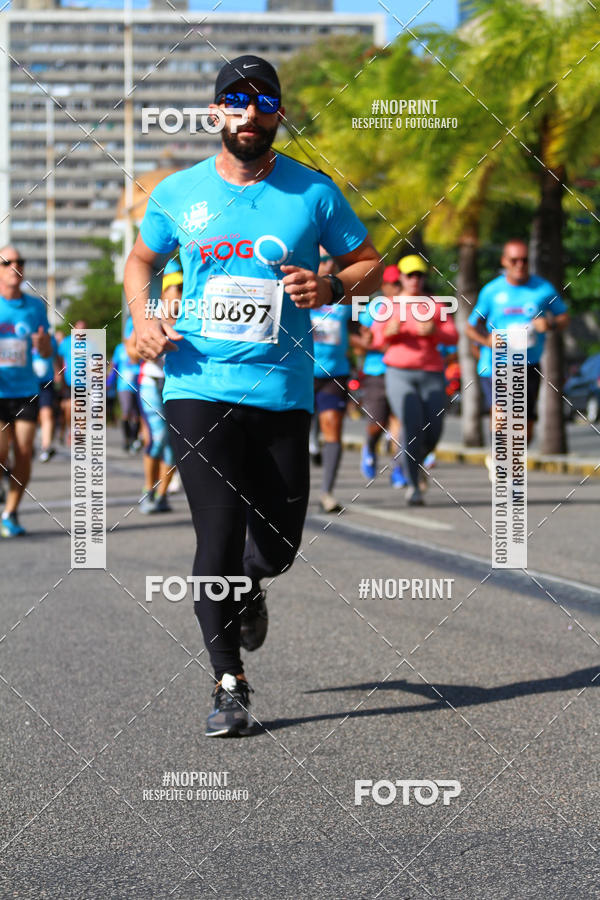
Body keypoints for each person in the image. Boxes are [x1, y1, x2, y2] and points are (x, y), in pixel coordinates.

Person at [124, 54, 382, 737]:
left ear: (279, 114)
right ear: (216, 112)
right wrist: (143, 318)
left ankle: (252, 584)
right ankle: (228, 681)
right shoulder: (178, 193)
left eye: (263, 103)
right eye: (235, 101)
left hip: (282, 388)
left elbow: (365, 262)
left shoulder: (313, 194)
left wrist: (329, 288)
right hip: (196, 381)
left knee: (277, 542)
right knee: (217, 530)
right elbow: (142, 260)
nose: (249, 114)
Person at [465, 239, 569, 472]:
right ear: (504, 261)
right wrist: (486, 341)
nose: (520, 265)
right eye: (514, 260)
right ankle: (499, 458)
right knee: (502, 410)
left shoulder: (543, 289)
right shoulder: (492, 291)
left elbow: (564, 317)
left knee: (525, 424)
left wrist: (549, 323)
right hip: (496, 363)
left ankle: (511, 460)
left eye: (524, 260)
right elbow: (471, 326)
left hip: (529, 363)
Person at [370, 254, 458, 506]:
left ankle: (414, 464)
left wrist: (435, 331)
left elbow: (453, 337)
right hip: (399, 372)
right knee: (410, 424)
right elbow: (375, 341)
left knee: (435, 428)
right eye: (410, 275)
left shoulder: (435, 305)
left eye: (419, 275)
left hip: (431, 372)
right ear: (401, 278)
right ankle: (413, 487)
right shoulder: (389, 305)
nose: (415, 280)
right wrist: (388, 332)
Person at [0, 246, 52, 537]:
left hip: (25, 390)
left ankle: (10, 512)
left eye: (20, 261)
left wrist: (45, 348)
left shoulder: (34, 307)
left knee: (23, 454)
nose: (15, 266)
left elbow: (46, 351)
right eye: (8, 262)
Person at [126, 260, 180, 513]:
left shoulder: (191, 312)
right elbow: (131, 350)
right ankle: (148, 489)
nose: (178, 291)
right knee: (158, 438)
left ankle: (161, 495)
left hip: (178, 383)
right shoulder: (147, 311)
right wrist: (146, 344)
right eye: (174, 286)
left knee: (175, 443)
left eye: (181, 286)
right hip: (150, 381)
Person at [352, 263, 407, 487]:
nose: (397, 287)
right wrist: (381, 340)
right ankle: (370, 445)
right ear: (384, 286)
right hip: (378, 372)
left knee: (400, 421)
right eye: (393, 284)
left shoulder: (411, 304)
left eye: (399, 283)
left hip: (402, 370)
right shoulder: (374, 308)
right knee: (377, 423)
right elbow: (361, 344)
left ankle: (398, 468)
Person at [57, 319, 86, 446]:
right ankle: (69, 429)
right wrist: (59, 374)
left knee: (79, 407)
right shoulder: (66, 343)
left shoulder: (90, 344)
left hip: (84, 382)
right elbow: (58, 359)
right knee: (67, 407)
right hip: (68, 381)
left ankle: (78, 433)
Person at [110, 337, 141, 453]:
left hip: (138, 383)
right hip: (123, 385)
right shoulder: (120, 348)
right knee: (126, 411)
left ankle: (134, 438)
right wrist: (109, 382)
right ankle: (127, 439)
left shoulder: (140, 345)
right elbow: (115, 366)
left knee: (136, 414)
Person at [32, 331, 59, 462]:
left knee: (47, 414)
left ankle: (46, 447)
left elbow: (56, 358)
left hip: (46, 383)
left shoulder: (51, 339)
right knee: (31, 417)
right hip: (26, 384)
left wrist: (60, 376)